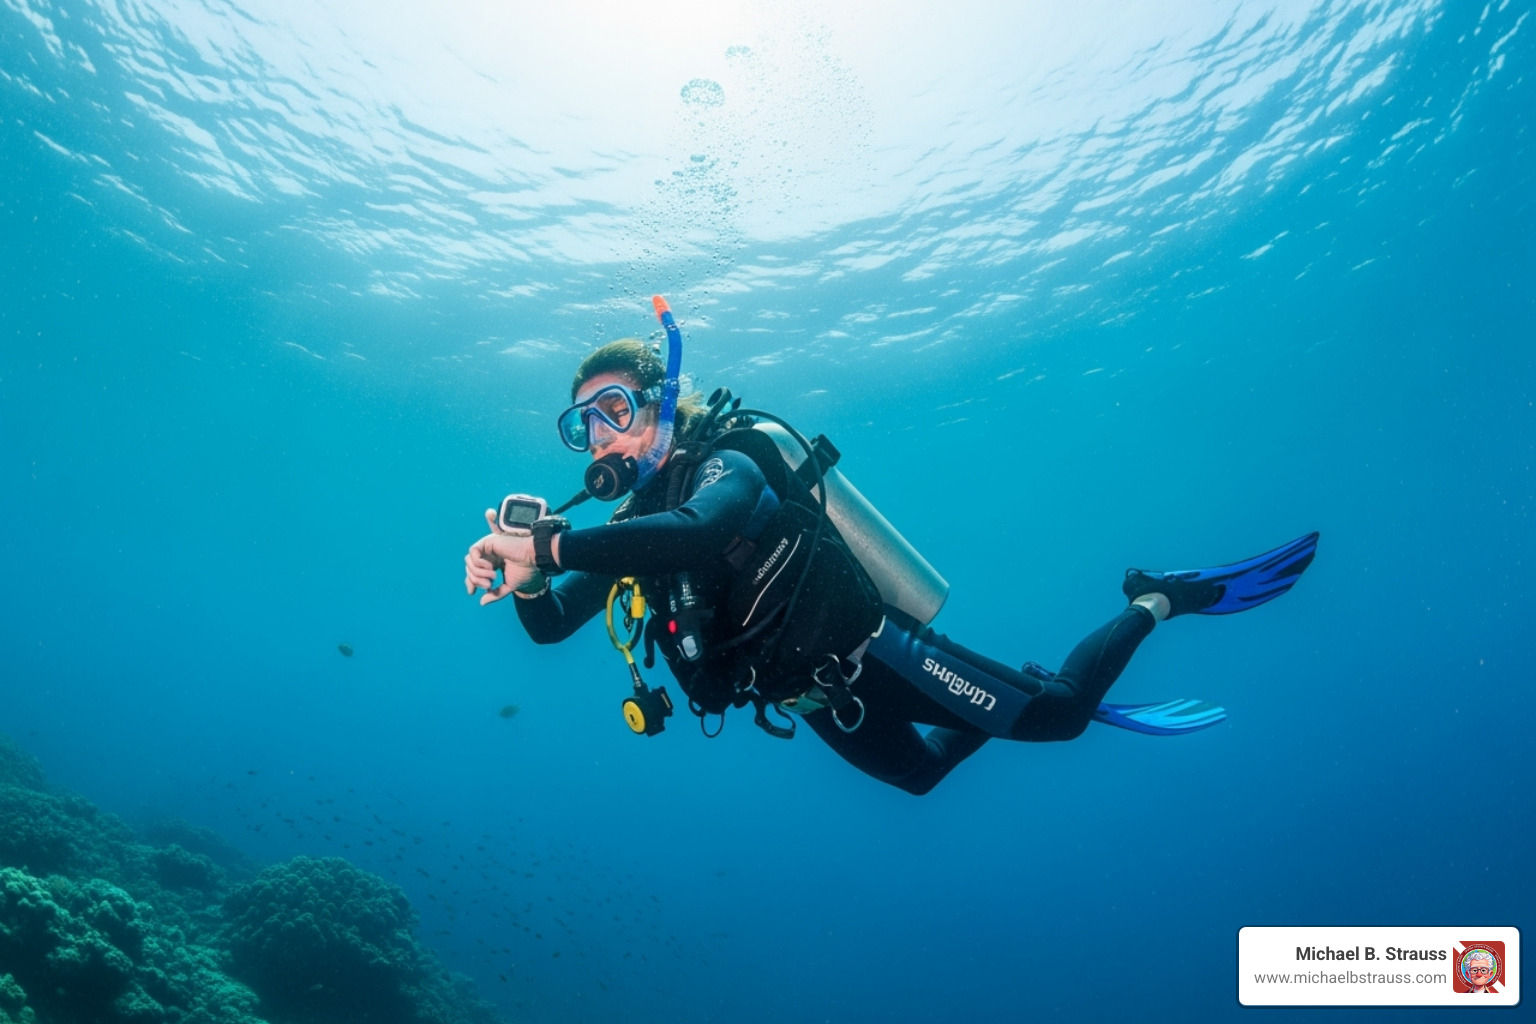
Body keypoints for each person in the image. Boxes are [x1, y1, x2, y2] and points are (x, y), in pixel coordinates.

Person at [463, 299, 1319, 796]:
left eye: (614, 409)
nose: (600, 438)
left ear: (661, 401)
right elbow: (549, 628)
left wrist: (547, 545)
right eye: (583, 425)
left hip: (876, 653)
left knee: (1057, 719)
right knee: (920, 780)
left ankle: (1154, 596)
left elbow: (712, 528)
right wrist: (527, 578)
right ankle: (1011, 682)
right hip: (808, 699)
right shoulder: (619, 538)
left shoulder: (728, 456)